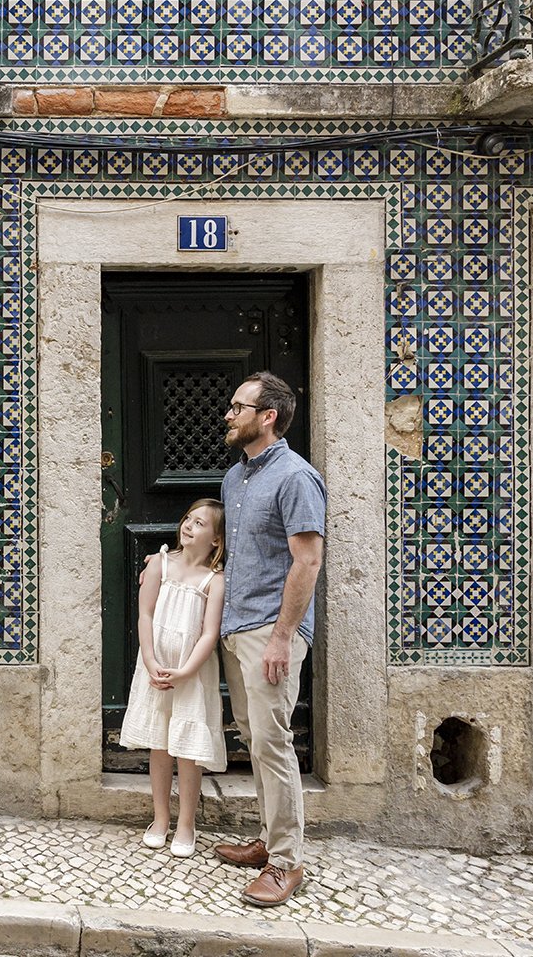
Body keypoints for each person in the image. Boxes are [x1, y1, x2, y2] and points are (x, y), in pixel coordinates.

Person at [213, 371, 326, 907]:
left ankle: (286, 863)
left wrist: (283, 637)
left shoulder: (296, 477)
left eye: (239, 407)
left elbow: (307, 561)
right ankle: (266, 839)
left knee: (273, 742)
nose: (229, 414)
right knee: (254, 738)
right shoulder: (235, 480)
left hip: (270, 631)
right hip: (237, 626)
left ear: (268, 417)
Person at [119, 498, 227, 859]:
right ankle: (161, 818)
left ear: (216, 539)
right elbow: (145, 615)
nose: (189, 526)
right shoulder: (160, 563)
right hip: (156, 668)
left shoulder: (215, 580)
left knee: (188, 752)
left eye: (200, 523)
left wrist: (187, 671)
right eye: (188, 518)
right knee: (160, 746)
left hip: (190, 674)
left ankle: (186, 824)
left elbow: (210, 634)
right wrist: (150, 660)